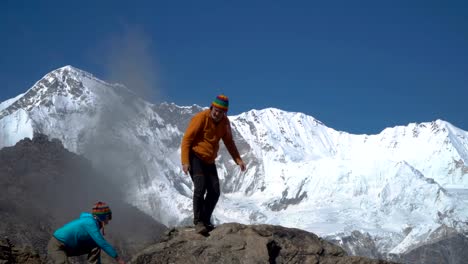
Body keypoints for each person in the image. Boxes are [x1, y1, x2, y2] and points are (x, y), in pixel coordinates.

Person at [181, 94, 247, 234]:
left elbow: (229, 142)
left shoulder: (225, 123)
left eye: (221, 111)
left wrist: (238, 160)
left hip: (209, 160)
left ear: (225, 113)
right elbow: (187, 140)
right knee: (200, 187)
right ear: (212, 107)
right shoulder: (201, 118)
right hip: (195, 157)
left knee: (215, 191)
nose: (217, 113)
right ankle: (198, 222)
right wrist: (185, 161)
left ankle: (205, 220)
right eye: (216, 110)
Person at [47, 202, 125, 264]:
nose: (108, 221)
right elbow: (101, 242)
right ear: (102, 216)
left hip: (67, 246)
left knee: (95, 245)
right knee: (62, 262)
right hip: (57, 246)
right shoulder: (90, 222)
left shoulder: (91, 221)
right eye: (108, 217)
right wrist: (118, 259)